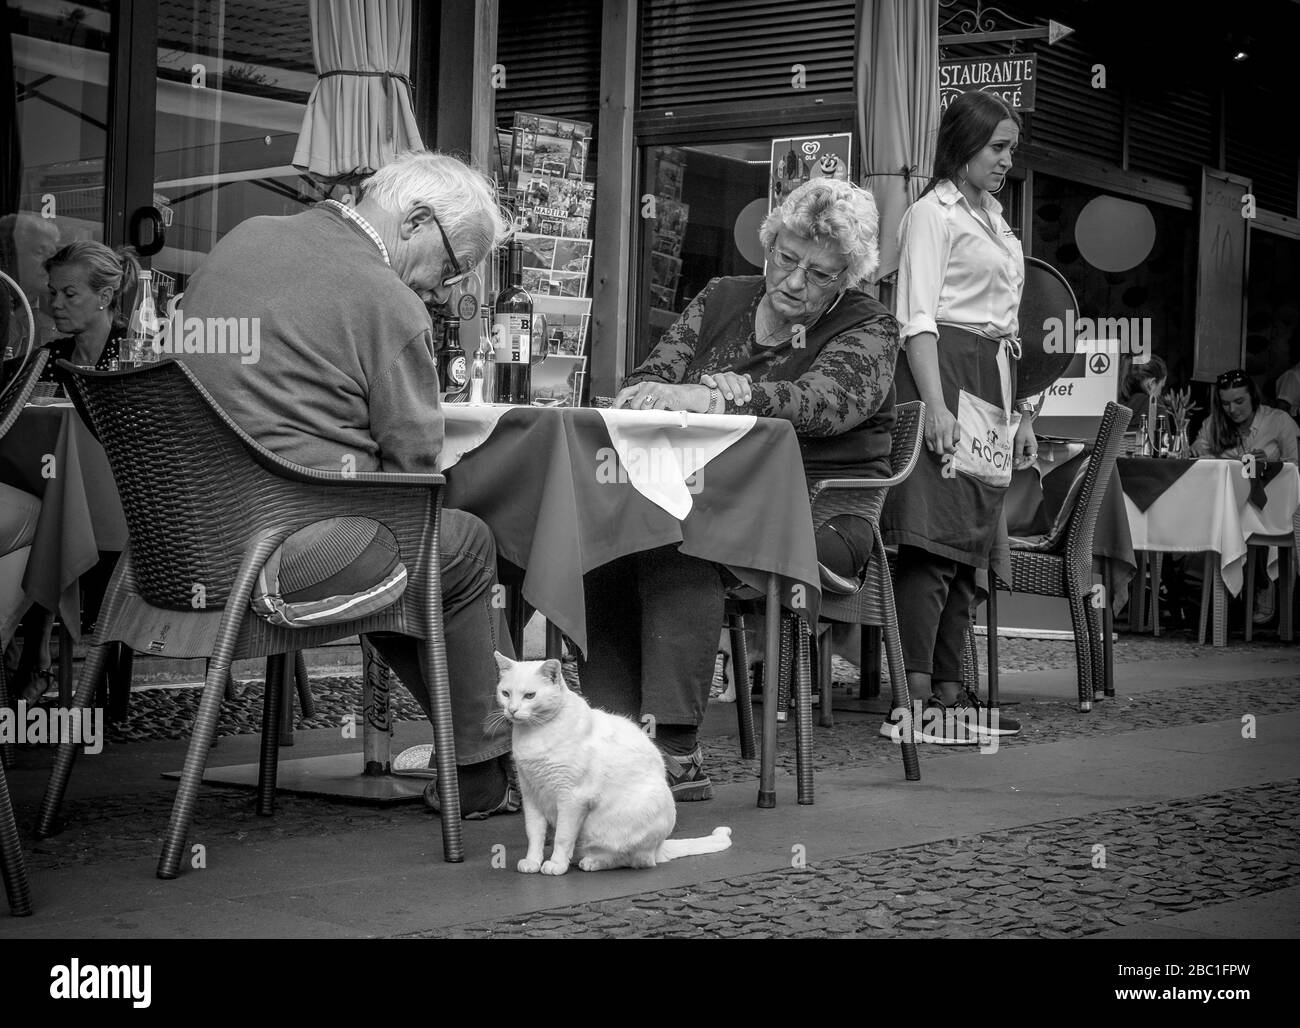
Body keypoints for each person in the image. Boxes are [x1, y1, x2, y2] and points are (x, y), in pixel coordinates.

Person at [177, 150, 519, 819]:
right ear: (415, 219)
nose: (448, 290)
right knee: (458, 544)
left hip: (183, 543)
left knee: (408, 549)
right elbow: (417, 471)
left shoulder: (244, 238)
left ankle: (489, 758)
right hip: (286, 557)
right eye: (452, 265)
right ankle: (487, 762)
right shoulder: (386, 299)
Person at [594, 177, 898, 799]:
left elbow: (824, 405)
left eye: (818, 275)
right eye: (785, 259)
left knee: (676, 543)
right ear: (769, 244)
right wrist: (647, 393)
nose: (793, 281)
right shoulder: (722, 296)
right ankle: (612, 741)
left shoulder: (872, 328)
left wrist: (724, 394)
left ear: (846, 280)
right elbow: (653, 373)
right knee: (607, 541)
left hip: (816, 518)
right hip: (701, 497)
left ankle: (673, 752)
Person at [878, 90, 1034, 744]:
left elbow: (1010, 327)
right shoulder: (929, 214)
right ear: (965, 143)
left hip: (991, 384)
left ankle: (951, 692)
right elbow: (914, 315)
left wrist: (1021, 411)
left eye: (1011, 150)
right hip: (942, 374)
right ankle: (914, 701)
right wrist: (934, 406)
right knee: (930, 544)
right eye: (997, 148)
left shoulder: (998, 221)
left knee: (970, 548)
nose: (1006, 161)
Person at [8, 242, 141, 703]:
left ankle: (36, 660)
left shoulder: (133, 356)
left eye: (70, 294)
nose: (56, 304)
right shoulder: (51, 356)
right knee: (46, 510)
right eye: (52, 293)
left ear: (104, 298)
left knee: (49, 514)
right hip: (74, 500)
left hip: (129, 510)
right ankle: (37, 657)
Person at [1191, 368, 1298, 625]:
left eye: (1239, 401)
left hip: (1271, 506)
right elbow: (1195, 457)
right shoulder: (1213, 424)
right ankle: (1205, 602)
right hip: (1224, 505)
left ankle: (1261, 586)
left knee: (1253, 526)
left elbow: (1296, 465)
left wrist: (1272, 463)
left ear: (1253, 396)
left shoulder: (1279, 421)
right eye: (1226, 403)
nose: (1233, 409)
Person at [1117, 353, 1170, 421]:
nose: (1160, 394)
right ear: (1152, 383)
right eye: (1161, 387)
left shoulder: (1115, 408)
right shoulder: (1155, 407)